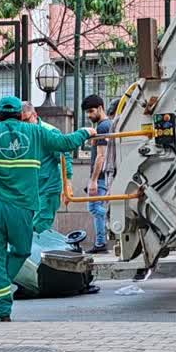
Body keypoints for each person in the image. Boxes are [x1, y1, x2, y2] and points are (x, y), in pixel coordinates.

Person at [0, 95, 93, 322]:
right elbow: (66, 144)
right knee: (21, 250)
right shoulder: (36, 133)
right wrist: (87, 132)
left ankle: (1, 309)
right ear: (20, 114)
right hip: (20, 208)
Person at [20, 101, 75, 233]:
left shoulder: (49, 132)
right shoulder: (21, 134)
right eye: (20, 121)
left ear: (35, 115)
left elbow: (63, 157)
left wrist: (67, 185)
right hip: (29, 190)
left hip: (47, 189)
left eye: (27, 120)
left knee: (39, 228)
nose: (24, 124)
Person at [81, 94, 112, 254]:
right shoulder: (106, 125)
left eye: (91, 111)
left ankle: (111, 221)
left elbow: (101, 156)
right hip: (104, 175)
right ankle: (100, 242)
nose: (89, 115)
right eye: (87, 112)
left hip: (100, 177)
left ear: (100, 108)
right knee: (96, 207)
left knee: (95, 208)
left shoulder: (103, 127)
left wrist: (93, 180)